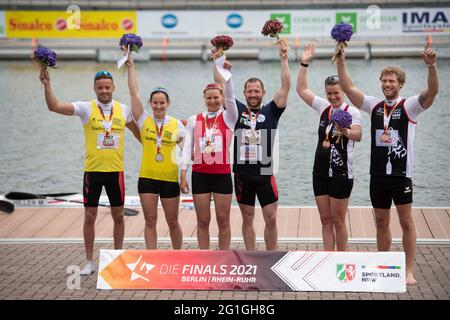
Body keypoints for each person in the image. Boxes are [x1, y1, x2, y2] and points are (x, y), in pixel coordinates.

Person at [336, 42, 439, 285]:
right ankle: (385, 268)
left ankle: (408, 270)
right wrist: (340, 58)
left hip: (402, 176)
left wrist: (432, 66)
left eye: (392, 81)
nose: (387, 85)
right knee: (381, 222)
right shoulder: (374, 106)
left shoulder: (410, 106)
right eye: (384, 81)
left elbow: (432, 92)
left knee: (406, 222)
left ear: (400, 84)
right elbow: (348, 88)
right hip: (378, 177)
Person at [39, 67, 141, 275]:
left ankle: (117, 258)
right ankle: (89, 262)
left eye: (107, 87)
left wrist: (155, 149)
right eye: (100, 87)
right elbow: (54, 106)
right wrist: (47, 84)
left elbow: (139, 134)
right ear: (94, 89)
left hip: (116, 172)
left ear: (113, 88)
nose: (104, 91)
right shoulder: (86, 108)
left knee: (119, 216)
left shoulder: (123, 110)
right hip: (93, 172)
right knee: (89, 217)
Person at [222, 41, 290, 251]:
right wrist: (220, 66)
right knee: (247, 218)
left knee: (271, 219)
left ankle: (271, 256)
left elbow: (286, 86)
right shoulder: (236, 112)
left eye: (256, 91)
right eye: (249, 91)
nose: (253, 94)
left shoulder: (272, 110)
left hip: (265, 174)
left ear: (263, 92)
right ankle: (251, 257)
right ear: (243, 93)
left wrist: (284, 59)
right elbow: (222, 89)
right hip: (243, 174)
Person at [296, 43, 362, 251]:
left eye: (336, 93)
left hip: (342, 174)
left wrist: (347, 132)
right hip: (320, 173)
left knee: (339, 220)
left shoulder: (353, 112)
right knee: (325, 219)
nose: (332, 96)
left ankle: (341, 261)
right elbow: (301, 89)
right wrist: (305, 61)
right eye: (329, 93)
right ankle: (328, 259)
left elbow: (358, 135)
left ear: (343, 91)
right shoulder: (324, 108)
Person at [125, 53, 185, 250]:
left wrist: (184, 177)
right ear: (151, 104)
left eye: (162, 103)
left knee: (172, 222)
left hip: (169, 179)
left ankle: (178, 256)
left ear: (168, 104)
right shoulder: (143, 119)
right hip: (148, 178)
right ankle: (152, 258)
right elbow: (134, 92)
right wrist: (131, 66)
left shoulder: (177, 125)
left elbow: (186, 155)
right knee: (150, 220)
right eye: (155, 103)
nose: (158, 106)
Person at [180, 59, 238, 250]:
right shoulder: (193, 120)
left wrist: (227, 78)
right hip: (200, 175)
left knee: (223, 221)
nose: (213, 101)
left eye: (216, 98)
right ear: (204, 99)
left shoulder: (229, 117)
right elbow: (187, 148)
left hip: (221, 175)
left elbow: (231, 98)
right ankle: (204, 257)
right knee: (203, 221)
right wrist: (183, 174)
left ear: (221, 98)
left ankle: (223, 257)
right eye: (209, 98)